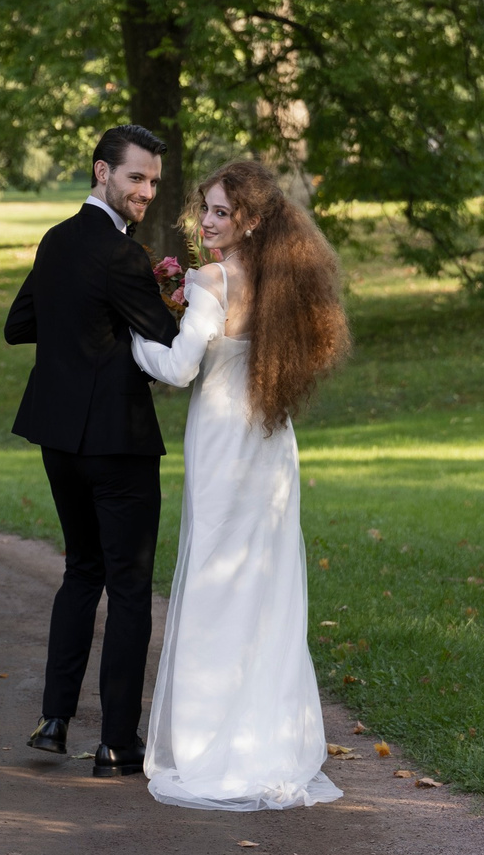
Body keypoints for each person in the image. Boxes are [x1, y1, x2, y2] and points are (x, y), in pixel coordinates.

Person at [128, 158, 350, 810]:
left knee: (214, 580)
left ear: (250, 219)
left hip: (226, 442)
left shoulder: (213, 278)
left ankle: (206, 745)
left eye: (222, 211)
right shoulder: (283, 282)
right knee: (263, 586)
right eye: (207, 208)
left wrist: (127, 342)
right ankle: (268, 742)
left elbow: (177, 368)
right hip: (271, 442)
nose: (207, 221)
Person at [3, 126, 182, 778]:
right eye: (136, 177)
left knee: (82, 572)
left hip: (57, 439)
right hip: (118, 445)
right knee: (129, 588)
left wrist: (78, 332)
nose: (146, 192)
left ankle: (53, 722)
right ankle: (115, 744)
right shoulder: (120, 255)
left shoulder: (55, 242)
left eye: (154, 181)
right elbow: (169, 339)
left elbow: (20, 324)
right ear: (102, 171)